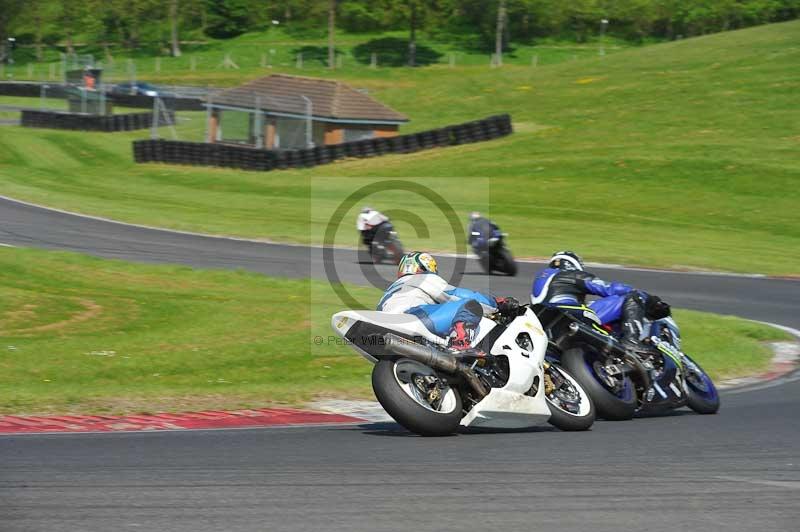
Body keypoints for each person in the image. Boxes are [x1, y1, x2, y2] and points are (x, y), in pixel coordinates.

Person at [378, 252, 519, 351]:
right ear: (426, 268)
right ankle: (460, 345)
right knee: (469, 305)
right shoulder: (424, 278)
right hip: (412, 317)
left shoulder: (391, 291)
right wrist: (498, 303)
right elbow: (457, 295)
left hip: (384, 328)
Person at [530, 251, 670, 351]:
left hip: (542, 328)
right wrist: (650, 300)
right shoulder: (570, 274)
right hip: (570, 316)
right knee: (632, 297)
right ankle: (631, 340)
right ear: (572, 265)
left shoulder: (540, 279)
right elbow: (610, 289)